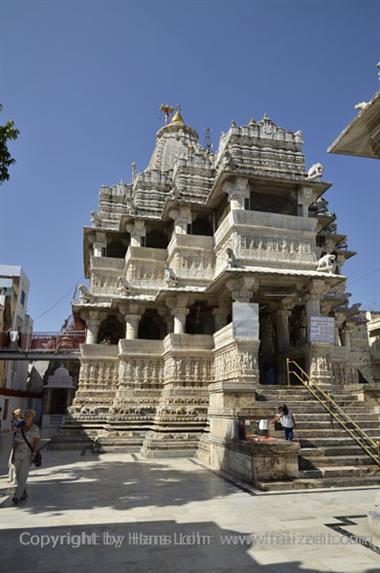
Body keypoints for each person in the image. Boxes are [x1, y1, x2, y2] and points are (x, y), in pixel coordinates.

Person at [12, 409, 40, 504]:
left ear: (32, 418)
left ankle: (17, 496)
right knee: (18, 475)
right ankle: (24, 493)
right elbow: (15, 442)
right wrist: (13, 455)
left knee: (23, 475)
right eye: (26, 416)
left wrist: (34, 453)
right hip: (18, 453)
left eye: (29, 417)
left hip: (28, 454)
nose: (27, 418)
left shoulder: (35, 428)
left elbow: (36, 442)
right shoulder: (20, 428)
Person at [8, 408, 24, 484]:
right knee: (11, 461)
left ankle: (15, 479)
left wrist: (12, 424)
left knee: (14, 462)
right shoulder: (20, 422)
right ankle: (11, 478)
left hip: (18, 443)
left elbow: (13, 430)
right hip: (17, 443)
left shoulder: (20, 422)